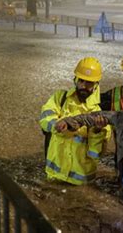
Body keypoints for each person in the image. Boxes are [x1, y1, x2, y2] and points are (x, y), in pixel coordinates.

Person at [39, 57, 111, 185]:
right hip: (54, 175)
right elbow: (44, 118)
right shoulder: (60, 98)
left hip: (80, 183)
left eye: (89, 83)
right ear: (75, 79)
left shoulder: (99, 115)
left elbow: (96, 155)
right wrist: (56, 125)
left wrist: (97, 131)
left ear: (96, 86)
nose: (83, 85)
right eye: (81, 80)